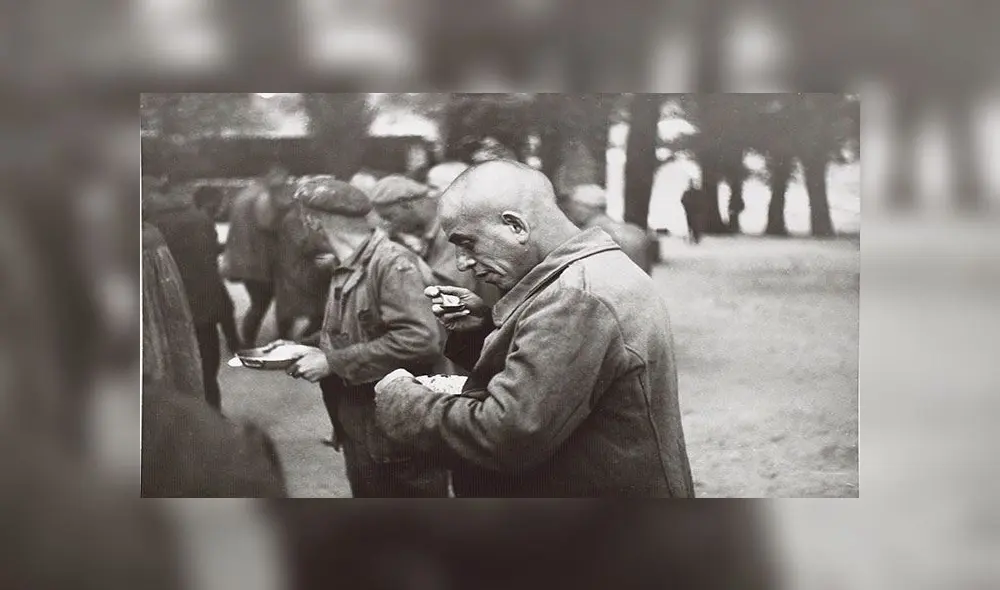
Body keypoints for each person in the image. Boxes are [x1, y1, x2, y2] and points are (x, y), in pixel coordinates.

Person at [373, 160, 695, 497]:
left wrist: (404, 402)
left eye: (467, 243)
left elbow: (508, 434)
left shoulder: (574, 298)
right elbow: (565, 380)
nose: (462, 263)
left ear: (516, 226)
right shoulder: (592, 268)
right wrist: (482, 333)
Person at [265, 178, 449, 498]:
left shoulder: (392, 264)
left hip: (398, 436)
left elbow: (421, 339)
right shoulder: (350, 265)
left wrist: (332, 362)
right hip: (365, 428)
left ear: (312, 221)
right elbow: (355, 331)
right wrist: (302, 347)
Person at [143, 181, 241, 411]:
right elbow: (208, 262)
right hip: (203, 306)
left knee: (167, 372)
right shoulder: (199, 219)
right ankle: (213, 420)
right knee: (206, 370)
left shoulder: (150, 227)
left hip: (165, 311)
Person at [223, 164, 289, 346]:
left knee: (259, 303)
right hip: (260, 260)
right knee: (266, 302)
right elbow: (268, 224)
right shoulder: (264, 196)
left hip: (243, 258)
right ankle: (253, 342)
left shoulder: (245, 194)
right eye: (283, 177)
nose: (285, 182)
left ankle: (249, 341)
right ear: (271, 175)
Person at [562, 184, 657, 274]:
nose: (569, 211)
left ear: (581, 208)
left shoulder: (588, 236)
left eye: (571, 206)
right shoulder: (637, 231)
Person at [681, 179, 704, 244]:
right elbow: (683, 200)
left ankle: (695, 238)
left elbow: (683, 200)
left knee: (694, 225)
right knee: (692, 225)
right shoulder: (689, 192)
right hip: (692, 211)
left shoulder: (695, 193)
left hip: (694, 211)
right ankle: (694, 238)